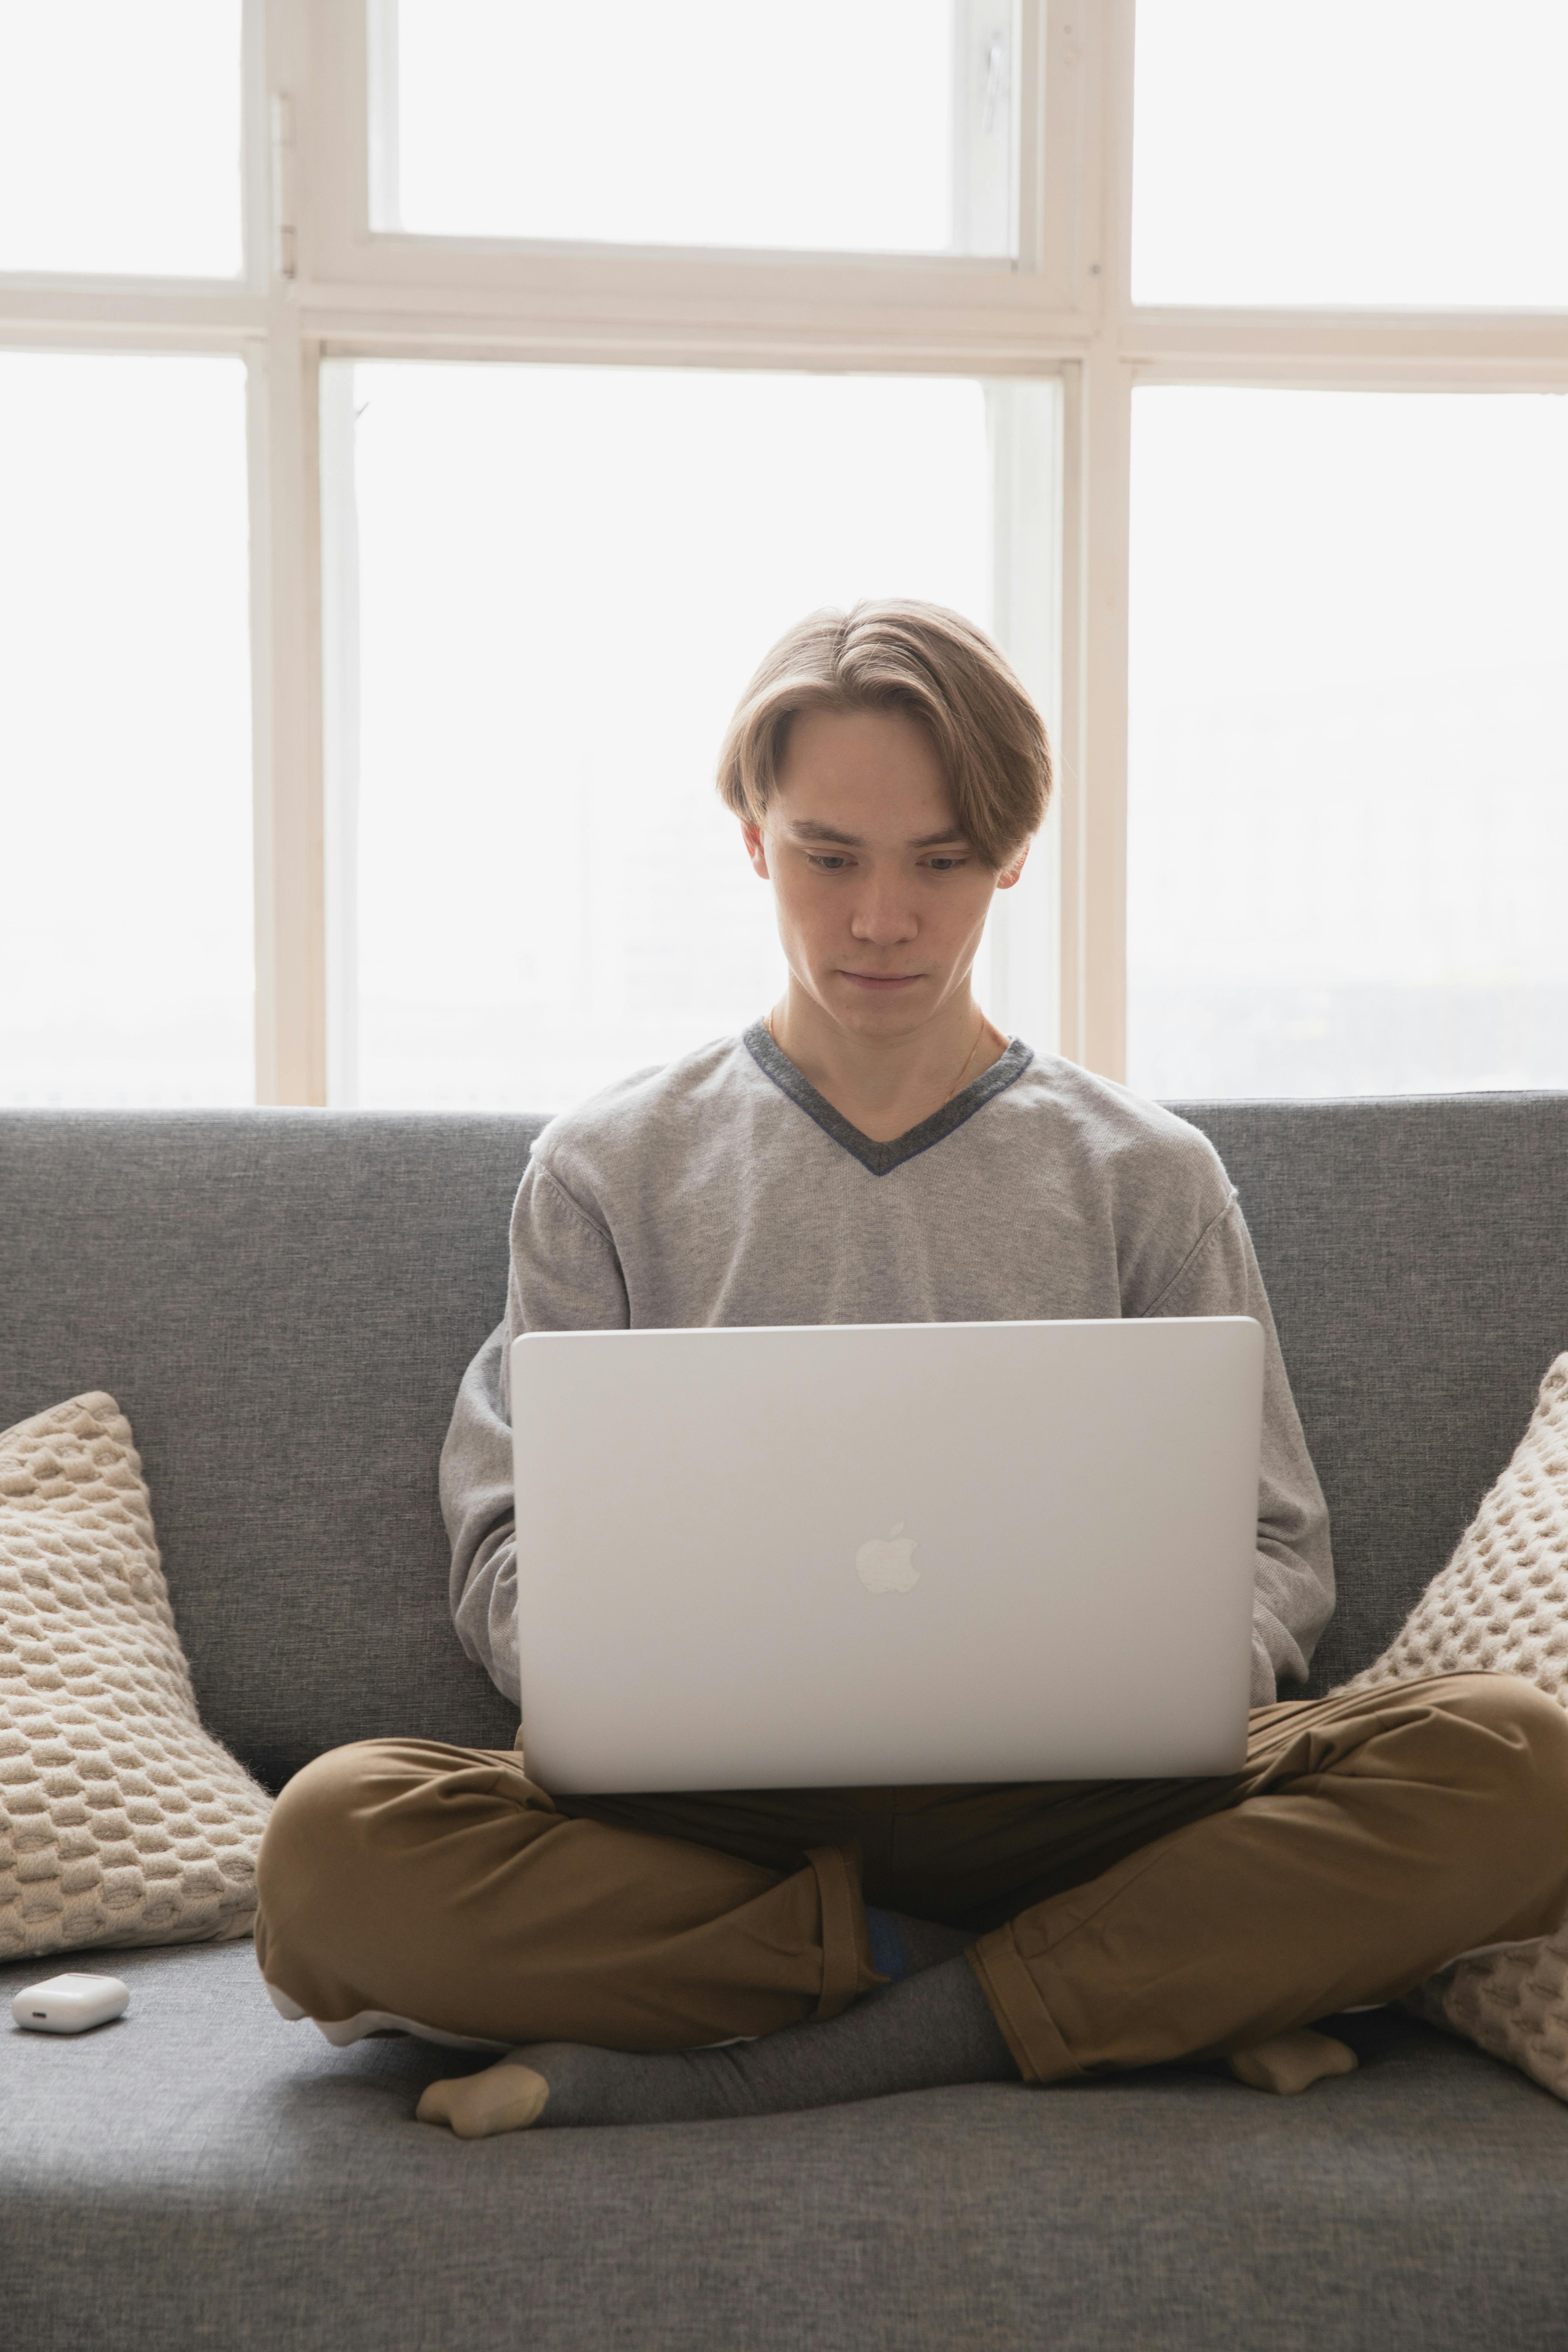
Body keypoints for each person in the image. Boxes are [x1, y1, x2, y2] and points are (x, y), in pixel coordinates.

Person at [254, 600, 1568, 2138]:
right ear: (752, 838)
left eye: (940, 862)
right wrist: (640, 1680)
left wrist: (1154, 1684)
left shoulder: (1147, 1174)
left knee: (1515, 1760)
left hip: (1086, 1807)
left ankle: (834, 2034)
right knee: (336, 1849)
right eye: (831, 855)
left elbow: (1276, 1544)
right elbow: (503, 1545)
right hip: (710, 1817)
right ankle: (1108, 1997)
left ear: (1011, 857)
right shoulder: (606, 1169)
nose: (883, 918)